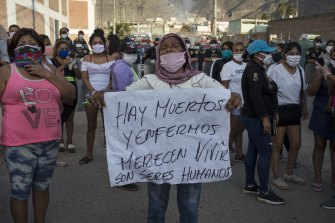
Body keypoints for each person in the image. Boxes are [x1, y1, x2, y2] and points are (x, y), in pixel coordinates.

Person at [90, 33, 241, 222]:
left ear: (184, 52)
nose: (169, 49)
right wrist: (104, 94)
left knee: (189, 210)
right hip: (158, 158)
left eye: (174, 46)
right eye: (165, 47)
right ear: (159, 54)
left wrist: (234, 96)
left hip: (191, 158)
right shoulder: (150, 81)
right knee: (156, 208)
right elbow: (122, 99)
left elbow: (224, 95)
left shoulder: (201, 80)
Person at [0, 28, 75, 223]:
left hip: (49, 141)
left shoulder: (50, 69)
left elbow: (70, 96)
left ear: (41, 48)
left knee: (42, 187)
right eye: (22, 43)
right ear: (14, 49)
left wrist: (47, 74)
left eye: (32, 43)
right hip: (18, 144)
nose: (28, 46)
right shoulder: (7, 71)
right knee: (20, 191)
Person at [241, 39, 284, 205]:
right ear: (257, 55)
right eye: (266, 53)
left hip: (255, 116)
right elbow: (256, 96)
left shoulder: (259, 69)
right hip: (256, 118)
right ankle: (265, 192)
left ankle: (250, 184)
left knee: (253, 149)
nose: (269, 55)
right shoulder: (254, 70)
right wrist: (265, 118)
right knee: (266, 151)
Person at [268, 42, 308, 190]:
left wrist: (303, 106)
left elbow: (301, 91)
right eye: (291, 53)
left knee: (296, 144)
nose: (294, 56)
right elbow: (269, 92)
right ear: (284, 55)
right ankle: (276, 177)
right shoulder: (276, 70)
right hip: (279, 111)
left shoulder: (301, 71)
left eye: (297, 53)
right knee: (277, 146)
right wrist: (273, 113)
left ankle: (289, 173)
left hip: (294, 110)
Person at [79, 28, 116, 165]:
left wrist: (106, 91)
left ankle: (113, 156)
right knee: (91, 125)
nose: (97, 45)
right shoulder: (86, 58)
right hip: (91, 95)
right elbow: (84, 78)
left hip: (107, 95)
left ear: (104, 43)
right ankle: (89, 155)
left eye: (100, 42)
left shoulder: (110, 58)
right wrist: (93, 92)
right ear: (90, 45)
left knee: (109, 127)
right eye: (94, 43)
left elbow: (114, 78)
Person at [308, 47, 335, 194]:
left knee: (334, 147)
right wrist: (319, 76)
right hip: (322, 111)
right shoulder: (323, 69)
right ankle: (317, 177)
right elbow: (311, 92)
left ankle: (334, 178)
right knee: (319, 145)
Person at [39, 34, 67, 167]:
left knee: (52, 130)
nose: (48, 46)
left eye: (49, 43)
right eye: (45, 43)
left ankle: (53, 157)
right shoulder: (36, 62)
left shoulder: (49, 62)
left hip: (53, 99)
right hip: (41, 100)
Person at [51, 40, 81, 154]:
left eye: (66, 49)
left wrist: (74, 66)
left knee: (70, 117)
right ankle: (60, 141)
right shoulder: (53, 61)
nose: (64, 51)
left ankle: (70, 141)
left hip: (72, 90)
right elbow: (53, 74)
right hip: (58, 90)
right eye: (61, 48)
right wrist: (64, 65)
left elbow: (78, 76)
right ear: (57, 49)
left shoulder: (71, 60)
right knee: (59, 117)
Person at [221, 42, 246, 162]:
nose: (239, 52)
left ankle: (239, 154)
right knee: (233, 130)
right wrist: (229, 103)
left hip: (245, 103)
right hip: (234, 103)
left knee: (241, 129)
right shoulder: (227, 66)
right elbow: (224, 87)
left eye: (241, 50)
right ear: (232, 52)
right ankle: (225, 155)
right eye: (236, 50)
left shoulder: (247, 66)